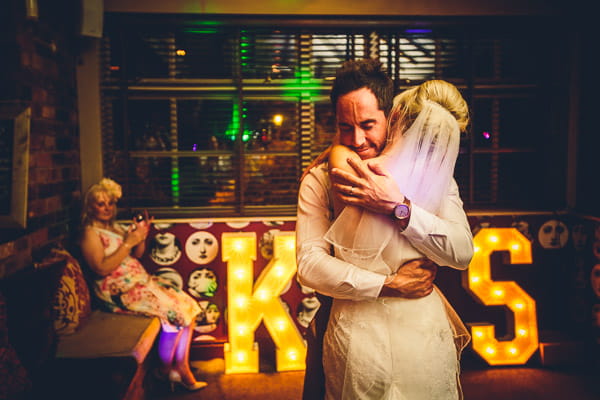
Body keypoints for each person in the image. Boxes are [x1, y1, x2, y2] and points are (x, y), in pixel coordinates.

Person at [296, 60, 474, 399]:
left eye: (367, 124)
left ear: (392, 118)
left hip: (422, 332)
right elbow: (309, 265)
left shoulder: (433, 177)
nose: (358, 139)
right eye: (344, 128)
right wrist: (388, 285)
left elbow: (462, 252)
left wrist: (399, 208)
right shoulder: (319, 180)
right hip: (354, 337)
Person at [79, 178, 207, 392]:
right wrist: (129, 242)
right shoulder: (89, 233)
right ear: (89, 206)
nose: (107, 208)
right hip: (118, 290)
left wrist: (141, 235)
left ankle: (181, 367)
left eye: (110, 203)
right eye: (101, 204)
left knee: (188, 306)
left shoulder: (116, 228)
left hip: (141, 282)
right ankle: (165, 371)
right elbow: (100, 268)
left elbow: (137, 254)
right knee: (174, 314)